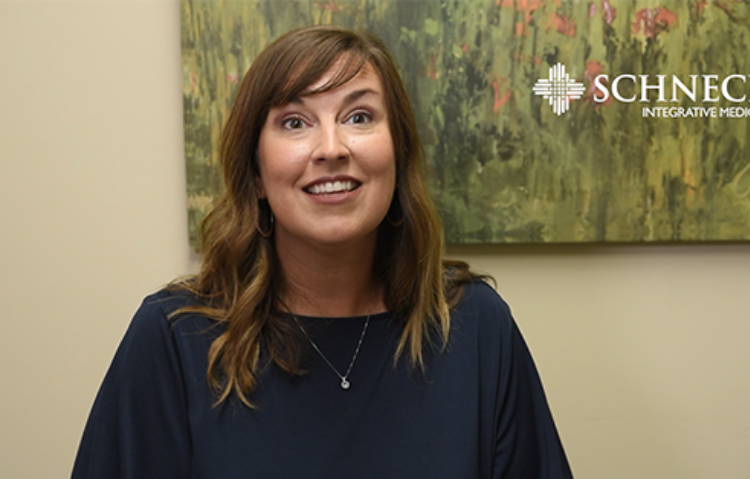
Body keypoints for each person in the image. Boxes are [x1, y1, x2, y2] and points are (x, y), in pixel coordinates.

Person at [71, 25, 572, 478]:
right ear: (257, 175)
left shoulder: (475, 328)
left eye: (359, 116)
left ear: (398, 154)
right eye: (294, 122)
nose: (331, 148)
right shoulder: (173, 338)